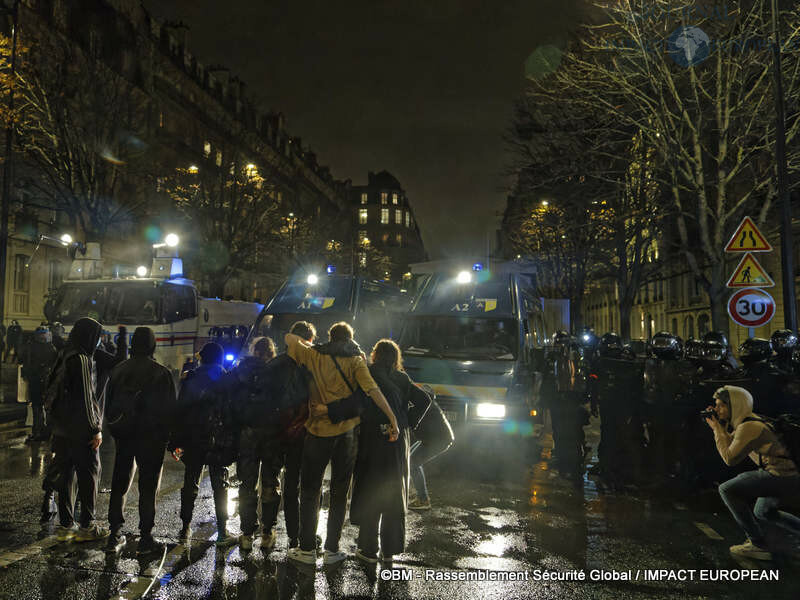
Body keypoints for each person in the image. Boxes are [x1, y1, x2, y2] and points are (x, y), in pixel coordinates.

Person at [285, 321, 399, 566]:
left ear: (330, 336)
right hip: (347, 432)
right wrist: (393, 419)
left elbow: (289, 338)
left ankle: (306, 549)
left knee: (309, 490)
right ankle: (331, 549)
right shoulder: (356, 361)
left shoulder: (312, 354)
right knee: (339, 492)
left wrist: (310, 344)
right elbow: (372, 390)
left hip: (317, 431)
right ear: (349, 339)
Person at [348, 340, 431, 563]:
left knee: (370, 489)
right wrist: (406, 421)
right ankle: (390, 550)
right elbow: (425, 398)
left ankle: (367, 550)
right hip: (398, 440)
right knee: (394, 491)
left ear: (374, 355)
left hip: (373, 438)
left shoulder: (368, 373)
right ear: (396, 358)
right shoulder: (402, 378)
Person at [705, 386, 800, 560]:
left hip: (780, 476)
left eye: (721, 405)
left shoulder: (749, 427)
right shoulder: (749, 421)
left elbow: (729, 458)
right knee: (764, 511)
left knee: (727, 489)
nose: (717, 409)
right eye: (716, 405)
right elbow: (731, 444)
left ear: (735, 406)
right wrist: (718, 426)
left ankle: (757, 544)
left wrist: (717, 430)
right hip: (789, 475)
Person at [105, 327, 177, 554]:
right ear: (153, 345)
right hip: (151, 438)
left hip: (125, 435)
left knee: (120, 483)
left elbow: (108, 405)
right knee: (148, 486)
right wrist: (170, 439)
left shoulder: (118, 370)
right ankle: (146, 537)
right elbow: (169, 411)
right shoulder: (161, 373)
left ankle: (114, 533)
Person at [48, 317, 110, 542]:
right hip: (81, 430)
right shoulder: (83, 359)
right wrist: (96, 428)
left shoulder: (65, 354)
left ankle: (65, 525)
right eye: (96, 336)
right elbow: (87, 397)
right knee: (90, 474)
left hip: (62, 429)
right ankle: (87, 526)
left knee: (66, 475)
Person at [171, 342, 237, 546]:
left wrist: (176, 442)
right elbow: (231, 411)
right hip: (218, 440)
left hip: (193, 438)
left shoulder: (190, 377)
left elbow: (180, 411)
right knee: (220, 485)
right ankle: (222, 531)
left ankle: (185, 528)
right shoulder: (227, 378)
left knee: (190, 482)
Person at [231, 336, 281, 551]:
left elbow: (229, 397)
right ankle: (267, 532)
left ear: (253, 351)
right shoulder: (276, 372)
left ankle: (246, 534)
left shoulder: (241, 370)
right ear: (271, 353)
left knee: (247, 484)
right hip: (272, 433)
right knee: (270, 482)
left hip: (247, 431)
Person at [408, 393, 452, 511]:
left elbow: (408, 421)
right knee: (409, 459)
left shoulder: (418, 405)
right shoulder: (421, 401)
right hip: (431, 439)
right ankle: (416, 494)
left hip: (438, 440)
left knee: (412, 463)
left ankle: (423, 500)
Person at [21, 326, 58, 442]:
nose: (43, 337)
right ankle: (40, 432)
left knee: (44, 409)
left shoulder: (50, 348)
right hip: (38, 382)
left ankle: (43, 432)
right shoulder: (36, 348)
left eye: (44, 334)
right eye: (41, 335)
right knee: (39, 408)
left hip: (44, 382)